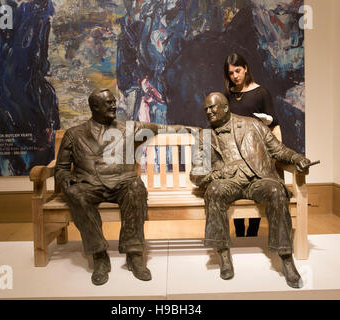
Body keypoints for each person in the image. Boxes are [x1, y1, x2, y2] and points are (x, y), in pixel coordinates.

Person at [55, 88, 186, 286]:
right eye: (108, 103)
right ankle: (99, 256)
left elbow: (164, 128)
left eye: (113, 102)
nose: (114, 105)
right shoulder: (74, 134)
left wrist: (195, 130)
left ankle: (134, 255)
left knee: (136, 188)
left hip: (123, 181)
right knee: (75, 193)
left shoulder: (129, 128)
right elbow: (62, 168)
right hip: (89, 184)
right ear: (94, 107)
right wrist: (65, 178)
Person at [190, 92, 311, 288]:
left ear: (225, 108)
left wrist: (298, 158)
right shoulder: (205, 136)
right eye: (206, 109)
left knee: (276, 191)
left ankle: (286, 258)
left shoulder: (252, 125)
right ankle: (223, 255)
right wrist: (217, 173)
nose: (209, 112)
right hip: (228, 182)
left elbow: (278, 150)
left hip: (257, 178)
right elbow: (196, 174)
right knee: (214, 192)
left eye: (212, 107)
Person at [223, 53, 279, 238]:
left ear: (245, 68)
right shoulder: (228, 96)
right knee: (238, 192)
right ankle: (240, 234)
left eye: (238, 71)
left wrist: (275, 152)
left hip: (256, 152)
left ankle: (253, 233)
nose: (235, 76)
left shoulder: (261, 92)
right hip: (235, 154)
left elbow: (273, 123)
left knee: (256, 191)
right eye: (231, 73)